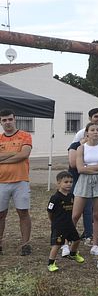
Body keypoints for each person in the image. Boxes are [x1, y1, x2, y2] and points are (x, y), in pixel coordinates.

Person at [72, 122, 98, 256]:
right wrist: (93, 169)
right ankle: (66, 242)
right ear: (87, 132)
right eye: (92, 130)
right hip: (84, 181)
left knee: (97, 214)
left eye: (97, 130)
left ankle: (94, 244)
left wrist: (89, 169)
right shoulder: (81, 148)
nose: (95, 132)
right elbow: (80, 168)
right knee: (76, 214)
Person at [0, 109, 33, 256]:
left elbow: (24, 154)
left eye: (9, 119)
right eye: (4, 120)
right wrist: (16, 153)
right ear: (1, 122)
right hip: (1, 182)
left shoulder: (25, 135)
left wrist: (4, 157)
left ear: (15, 119)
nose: (7, 122)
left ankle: (25, 244)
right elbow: (19, 154)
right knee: (1, 214)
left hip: (21, 181)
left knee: (23, 212)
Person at [46, 171, 85, 271]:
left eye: (71, 182)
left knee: (76, 240)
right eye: (66, 182)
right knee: (57, 244)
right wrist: (54, 222)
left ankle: (72, 254)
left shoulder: (71, 196)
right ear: (58, 183)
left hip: (69, 224)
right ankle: (51, 263)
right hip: (59, 226)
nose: (69, 184)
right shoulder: (55, 198)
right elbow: (50, 211)